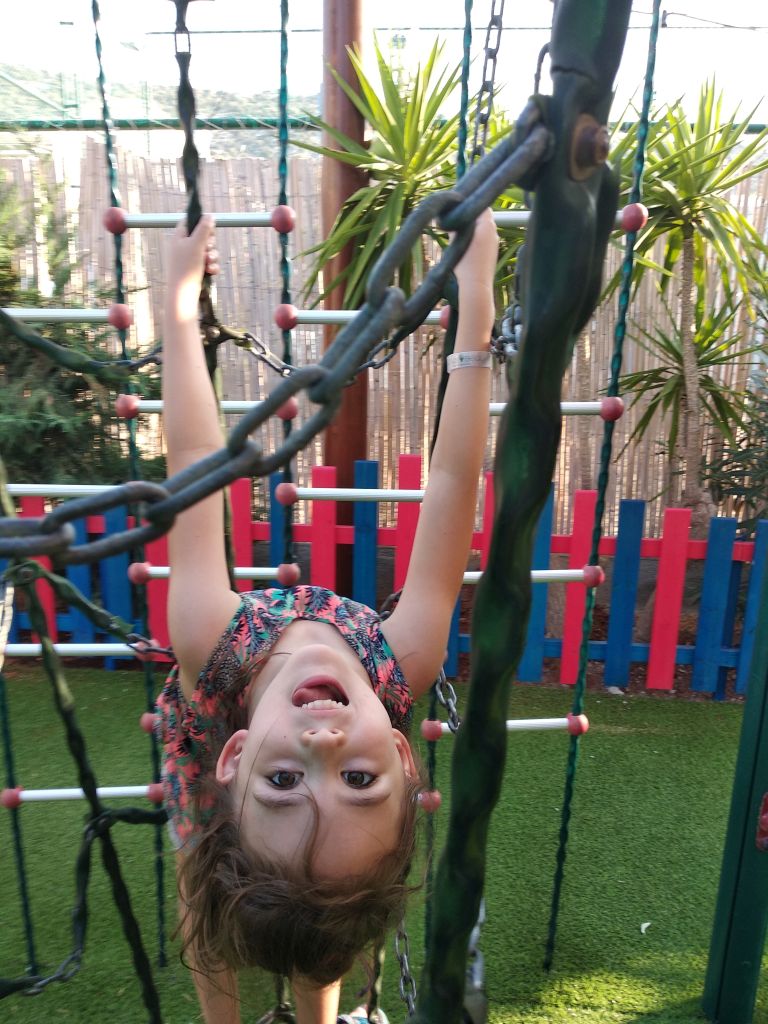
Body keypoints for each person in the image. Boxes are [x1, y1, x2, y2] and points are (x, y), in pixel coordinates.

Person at [156, 207, 498, 1024]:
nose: (323, 744)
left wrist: (176, 308)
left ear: (241, 755)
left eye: (285, 781)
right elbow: (453, 484)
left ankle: (315, 1014)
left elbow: (194, 463)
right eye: (359, 780)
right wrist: (477, 305)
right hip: (230, 776)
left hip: (199, 737)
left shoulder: (207, 632)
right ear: (403, 760)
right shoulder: (402, 657)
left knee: (255, 888)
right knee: (244, 900)